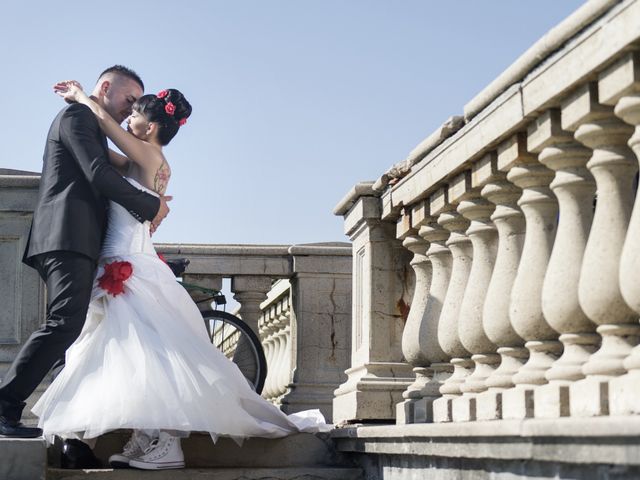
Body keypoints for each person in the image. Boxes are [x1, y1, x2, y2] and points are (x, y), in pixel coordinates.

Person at [31, 80, 329, 471]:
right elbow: (100, 161)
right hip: (123, 259)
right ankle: (148, 437)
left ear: (150, 127)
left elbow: (105, 125)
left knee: (147, 352)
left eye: (136, 113)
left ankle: (164, 442)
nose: (130, 116)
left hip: (127, 262)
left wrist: (82, 98)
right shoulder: (146, 160)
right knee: (134, 351)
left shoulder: (149, 155)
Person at [0, 66, 170, 453]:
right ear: (105, 87)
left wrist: (151, 195)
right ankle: (5, 405)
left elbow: (119, 170)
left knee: (75, 329)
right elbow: (96, 173)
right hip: (65, 236)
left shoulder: (92, 123)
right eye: (128, 100)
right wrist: (150, 205)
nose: (130, 111)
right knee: (65, 322)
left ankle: (62, 425)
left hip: (80, 239)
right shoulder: (76, 117)